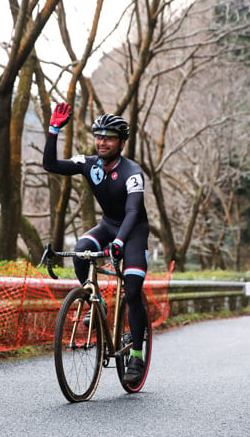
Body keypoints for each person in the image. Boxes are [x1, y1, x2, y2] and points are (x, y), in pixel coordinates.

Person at [42, 102, 150, 386]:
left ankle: (137, 354)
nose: (102, 142)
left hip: (133, 230)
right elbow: (50, 165)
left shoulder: (133, 173)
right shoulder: (88, 164)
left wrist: (119, 242)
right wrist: (53, 131)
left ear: (122, 142)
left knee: (134, 288)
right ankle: (96, 303)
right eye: (99, 136)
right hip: (107, 226)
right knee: (81, 251)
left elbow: (133, 212)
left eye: (109, 137)